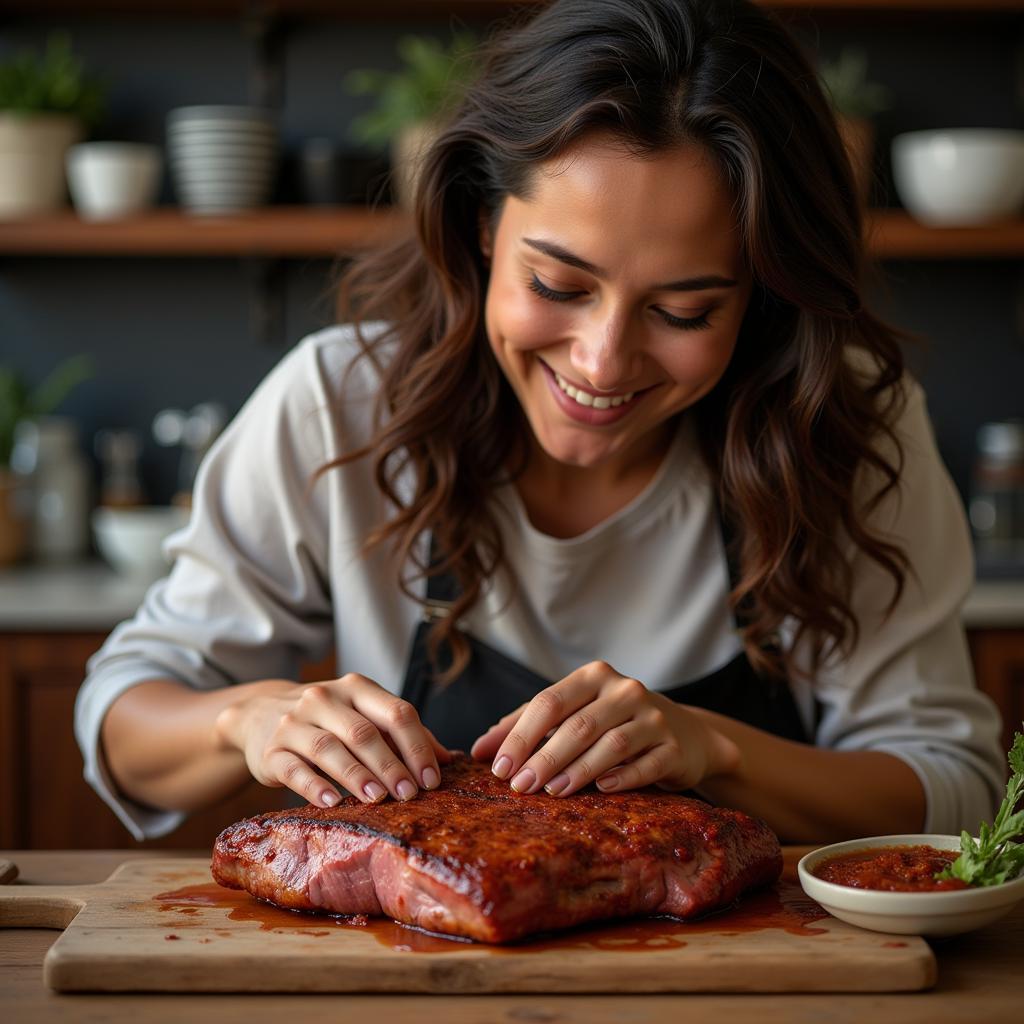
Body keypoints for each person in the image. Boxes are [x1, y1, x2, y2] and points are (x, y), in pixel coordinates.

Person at [77, 0, 1004, 846]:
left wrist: (720, 753)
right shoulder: (337, 404)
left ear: (764, 295)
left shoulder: (849, 425)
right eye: (558, 285)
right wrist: (248, 719)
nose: (602, 363)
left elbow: (953, 785)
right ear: (483, 225)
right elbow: (122, 723)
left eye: (684, 312)